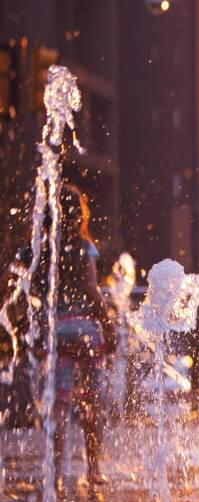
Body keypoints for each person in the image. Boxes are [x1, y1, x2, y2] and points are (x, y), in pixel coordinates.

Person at [35, 185, 116, 485]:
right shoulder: (84, 247)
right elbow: (92, 289)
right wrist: (108, 325)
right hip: (85, 330)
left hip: (58, 330)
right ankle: (93, 470)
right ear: (80, 213)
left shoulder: (44, 249)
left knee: (59, 403)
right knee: (91, 404)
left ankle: (55, 471)